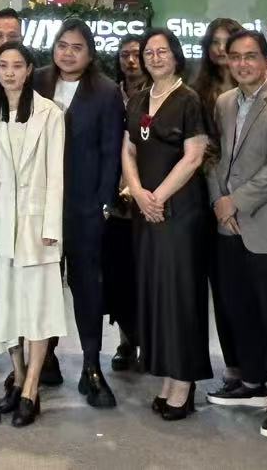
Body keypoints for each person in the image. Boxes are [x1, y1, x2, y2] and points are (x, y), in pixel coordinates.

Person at [204, 27, 267, 439]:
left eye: (251, 56)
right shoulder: (224, 103)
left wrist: (235, 202)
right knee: (240, 309)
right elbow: (214, 158)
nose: (243, 63)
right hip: (228, 226)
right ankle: (253, 382)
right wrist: (219, 201)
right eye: (236, 57)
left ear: (265, 61)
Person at [31, 18, 123, 407]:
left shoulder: (106, 91)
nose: (68, 53)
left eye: (77, 47)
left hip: (85, 207)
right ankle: (44, 360)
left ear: (90, 53)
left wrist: (104, 204)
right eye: (62, 45)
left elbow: (111, 152)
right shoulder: (37, 81)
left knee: (87, 288)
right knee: (43, 285)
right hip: (40, 206)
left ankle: (91, 366)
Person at [122, 27, 210, 420]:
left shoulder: (188, 99)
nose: (155, 58)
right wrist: (140, 194)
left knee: (181, 294)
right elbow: (128, 149)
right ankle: (167, 376)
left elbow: (194, 157)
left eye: (162, 51)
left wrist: (157, 197)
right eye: (148, 53)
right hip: (146, 211)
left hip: (180, 212)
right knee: (155, 294)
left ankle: (184, 381)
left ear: (176, 55)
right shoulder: (139, 99)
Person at [0, 41, 66, 428]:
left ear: (30, 69)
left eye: (17, 65)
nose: (10, 72)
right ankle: (17, 377)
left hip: (37, 228)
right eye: (3, 65)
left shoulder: (50, 113)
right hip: (1, 225)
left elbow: (56, 174)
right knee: (7, 307)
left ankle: (32, 387)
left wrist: (51, 227)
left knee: (38, 308)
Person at [193, 17, 240, 390]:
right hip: (210, 197)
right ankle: (236, 363)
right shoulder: (198, 93)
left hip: (254, 198)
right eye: (215, 42)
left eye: (229, 41)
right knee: (223, 288)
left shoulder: (259, 87)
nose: (222, 49)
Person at [104, 33, 146, 371]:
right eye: (124, 55)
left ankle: (151, 340)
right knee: (119, 276)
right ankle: (126, 342)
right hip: (114, 203)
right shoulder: (109, 94)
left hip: (150, 198)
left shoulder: (158, 94)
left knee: (147, 277)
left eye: (136, 54)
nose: (131, 61)